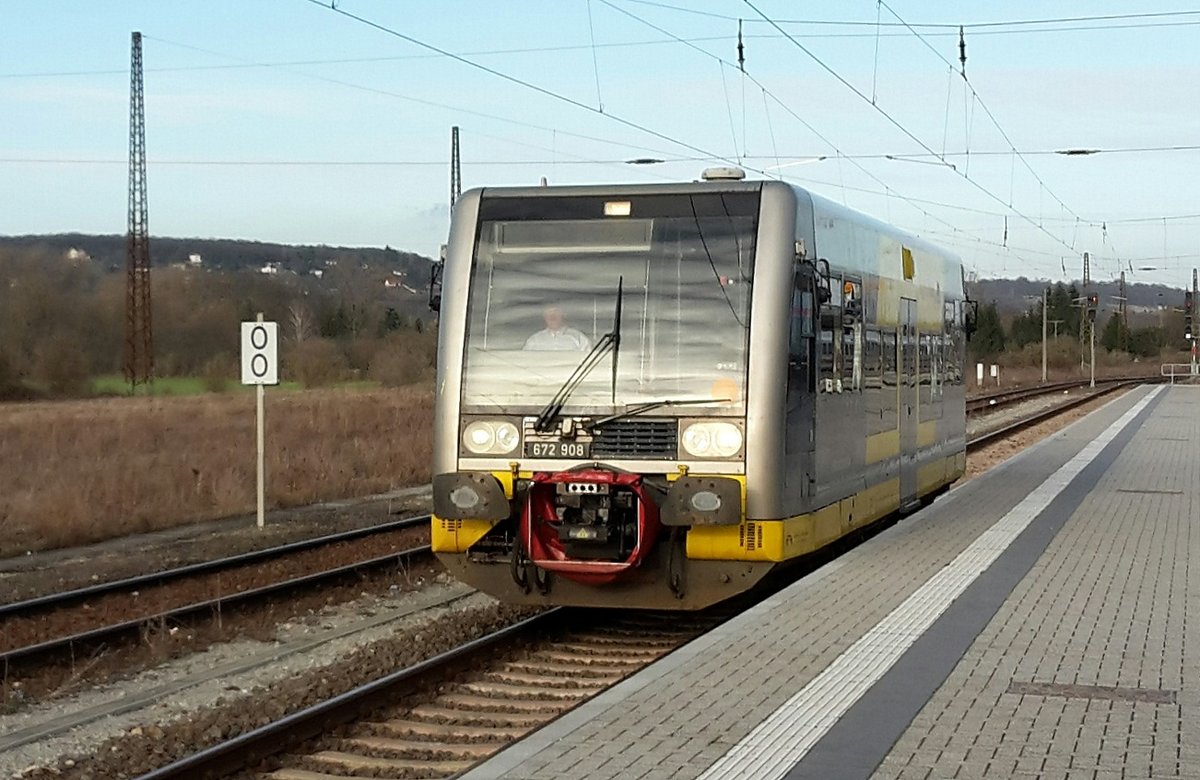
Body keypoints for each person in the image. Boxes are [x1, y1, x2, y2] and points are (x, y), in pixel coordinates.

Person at [524, 306, 591, 351]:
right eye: (548, 313)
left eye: (556, 312)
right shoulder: (534, 341)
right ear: (544, 317)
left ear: (563, 315)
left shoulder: (579, 338)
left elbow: (590, 362)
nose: (552, 316)